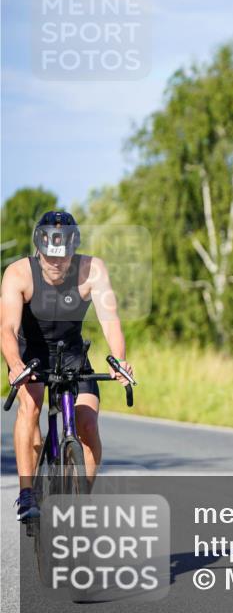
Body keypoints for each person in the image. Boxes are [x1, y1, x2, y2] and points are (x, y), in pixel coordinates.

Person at [1, 211, 134, 521]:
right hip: (31, 355)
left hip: (73, 354)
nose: (56, 263)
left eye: (63, 256)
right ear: (38, 248)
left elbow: (110, 319)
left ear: (74, 249)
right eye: (49, 256)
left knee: (87, 424)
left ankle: (83, 502)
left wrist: (119, 359)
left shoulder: (93, 270)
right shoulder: (19, 273)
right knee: (30, 408)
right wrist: (14, 364)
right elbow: (6, 327)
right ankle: (26, 494)